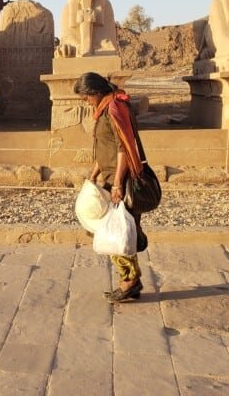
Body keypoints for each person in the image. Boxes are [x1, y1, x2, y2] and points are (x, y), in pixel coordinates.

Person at [74, 71, 145, 303]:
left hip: (120, 179)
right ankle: (130, 279)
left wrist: (116, 185)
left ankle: (130, 281)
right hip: (108, 177)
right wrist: (93, 175)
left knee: (116, 230)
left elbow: (123, 148)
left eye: (86, 97)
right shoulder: (105, 109)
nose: (86, 102)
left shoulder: (115, 108)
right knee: (114, 228)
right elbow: (105, 149)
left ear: (95, 92)